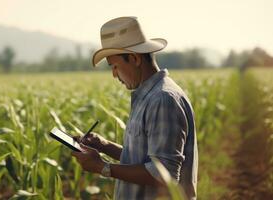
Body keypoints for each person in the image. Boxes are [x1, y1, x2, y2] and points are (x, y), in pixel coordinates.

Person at [71, 16, 198, 200]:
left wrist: (103, 167)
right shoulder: (148, 96)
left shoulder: (162, 99)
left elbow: (164, 173)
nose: (114, 75)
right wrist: (104, 145)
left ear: (134, 58)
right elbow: (145, 160)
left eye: (115, 66)